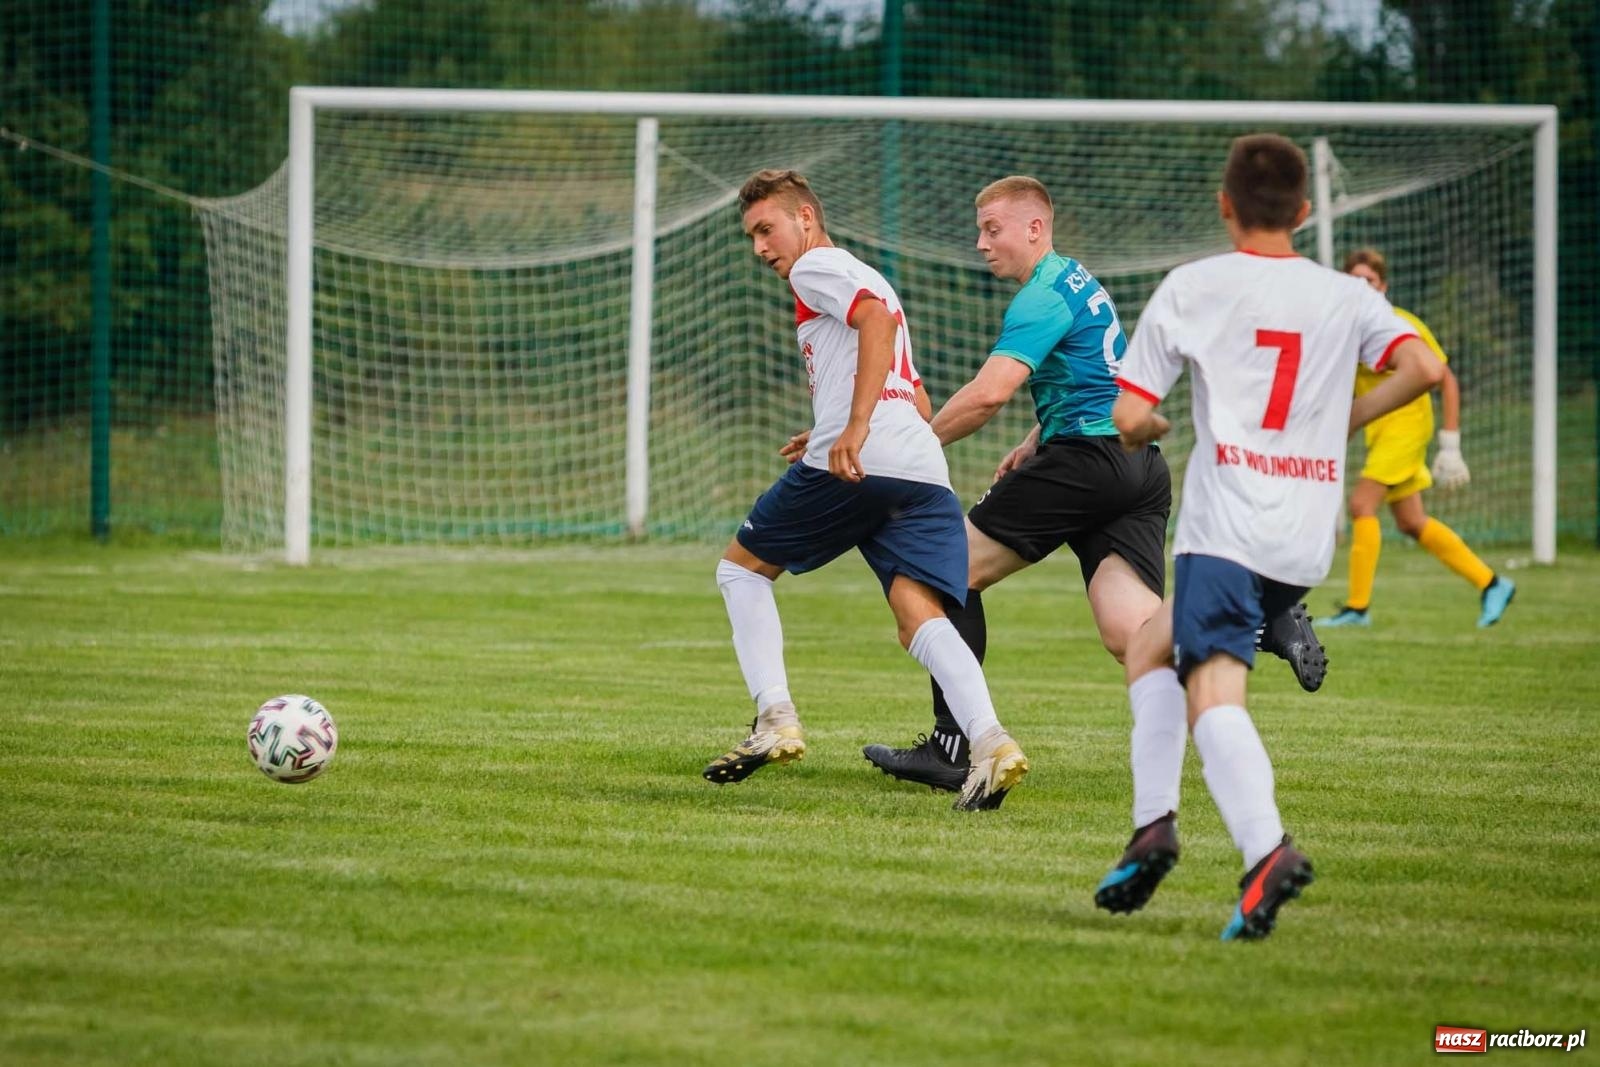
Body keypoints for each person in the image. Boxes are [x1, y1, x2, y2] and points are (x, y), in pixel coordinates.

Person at [860, 176, 1328, 805]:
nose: (981, 244)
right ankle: (1256, 617)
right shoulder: (1078, 281)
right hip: (1136, 467)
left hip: (1086, 463)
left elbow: (989, 393)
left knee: (944, 572)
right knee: (1131, 633)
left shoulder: (1042, 295)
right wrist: (1038, 437)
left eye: (992, 229)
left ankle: (952, 747)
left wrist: (911, 446)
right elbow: (1103, 376)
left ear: (1035, 228)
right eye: (979, 231)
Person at [1104, 134, 1445, 940]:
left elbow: (1129, 414)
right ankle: (1152, 826)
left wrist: (1146, 426)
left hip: (1227, 525)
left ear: (1224, 205)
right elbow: (1425, 368)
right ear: (1304, 210)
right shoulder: (1347, 294)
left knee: (1211, 690)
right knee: (1148, 645)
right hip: (1305, 532)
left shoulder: (1194, 285)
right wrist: (1342, 421)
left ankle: (1266, 850)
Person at [701, 168, 1027, 812]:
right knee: (918, 613)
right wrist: (840, 421)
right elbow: (916, 396)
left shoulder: (814, 267)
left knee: (740, 571)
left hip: (862, 455)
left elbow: (873, 323)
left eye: (766, 230)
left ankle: (775, 718)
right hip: (920, 463)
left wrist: (853, 426)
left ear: (805, 217)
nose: (761, 248)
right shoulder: (869, 274)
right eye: (752, 237)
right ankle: (991, 742)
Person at [1323, 247, 1516, 630]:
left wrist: (1450, 445)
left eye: (1369, 281)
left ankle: (1357, 608)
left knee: (1361, 504)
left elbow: (1444, 377)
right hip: (1379, 433)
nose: (1362, 287)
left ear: (1383, 286)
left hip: (1408, 427)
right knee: (1412, 521)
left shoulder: (1400, 324)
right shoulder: (1344, 332)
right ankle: (1492, 583)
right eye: (1354, 280)